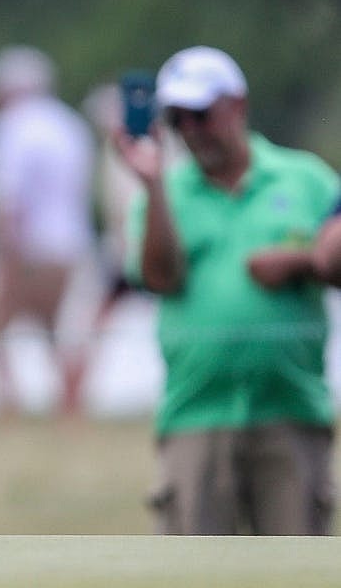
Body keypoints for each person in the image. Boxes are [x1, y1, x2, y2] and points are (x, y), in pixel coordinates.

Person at [115, 46, 337, 535]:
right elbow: (159, 278)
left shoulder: (307, 180)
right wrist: (151, 188)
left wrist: (302, 261)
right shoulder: (163, 191)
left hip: (292, 411)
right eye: (176, 119)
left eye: (200, 114)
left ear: (237, 105)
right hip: (196, 414)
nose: (190, 130)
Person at [0, 46, 96, 416]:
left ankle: (9, 405)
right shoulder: (70, 125)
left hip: (28, 248)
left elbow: (8, 201)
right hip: (70, 245)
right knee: (55, 331)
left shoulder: (11, 127)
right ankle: (69, 406)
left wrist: (6, 258)